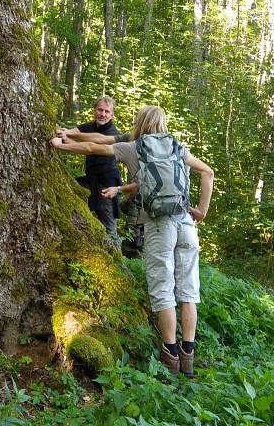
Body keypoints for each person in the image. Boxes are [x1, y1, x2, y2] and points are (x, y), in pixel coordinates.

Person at [51, 105, 214, 377]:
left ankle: (170, 355)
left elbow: (94, 149)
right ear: (162, 123)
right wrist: (202, 210)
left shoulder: (134, 147)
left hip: (159, 226)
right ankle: (188, 357)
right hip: (186, 222)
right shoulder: (176, 147)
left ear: (140, 122)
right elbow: (207, 173)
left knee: (163, 289)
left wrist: (60, 144)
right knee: (188, 292)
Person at [58, 96, 123, 248]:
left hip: (107, 184)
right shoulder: (90, 126)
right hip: (90, 180)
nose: (103, 114)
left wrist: (66, 139)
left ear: (112, 115)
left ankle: (117, 259)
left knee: (108, 224)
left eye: (107, 111)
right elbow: (73, 132)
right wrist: (63, 133)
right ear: (95, 110)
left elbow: (88, 147)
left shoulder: (112, 134)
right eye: (100, 110)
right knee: (66, 190)